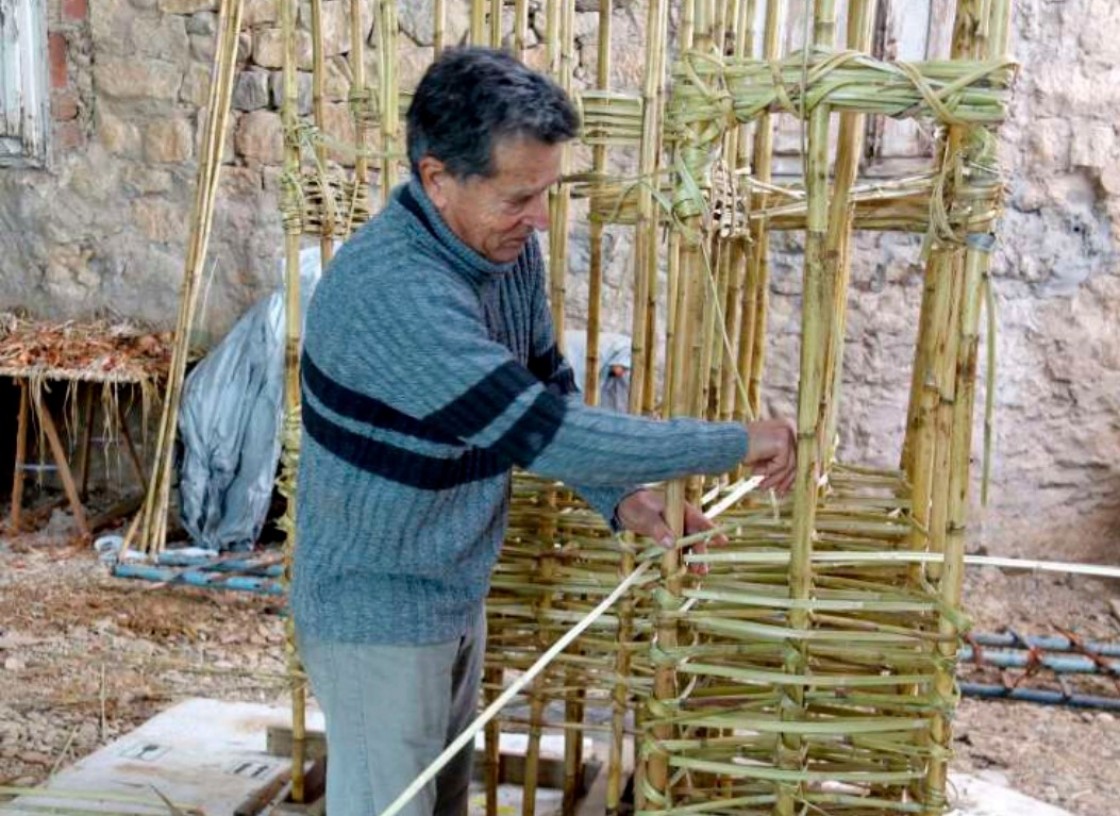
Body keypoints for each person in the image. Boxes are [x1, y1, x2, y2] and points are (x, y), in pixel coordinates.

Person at [292, 47, 797, 816]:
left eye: (547, 193)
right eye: (519, 197)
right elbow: (544, 430)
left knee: (442, 803)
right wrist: (734, 441)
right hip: (376, 615)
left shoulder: (503, 252)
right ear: (437, 180)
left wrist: (626, 499)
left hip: (450, 593)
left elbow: (546, 389)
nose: (539, 219)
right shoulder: (394, 294)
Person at [562, 328, 632, 413]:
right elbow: (617, 370)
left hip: (566, 341)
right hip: (567, 352)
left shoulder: (622, 342)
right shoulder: (631, 349)